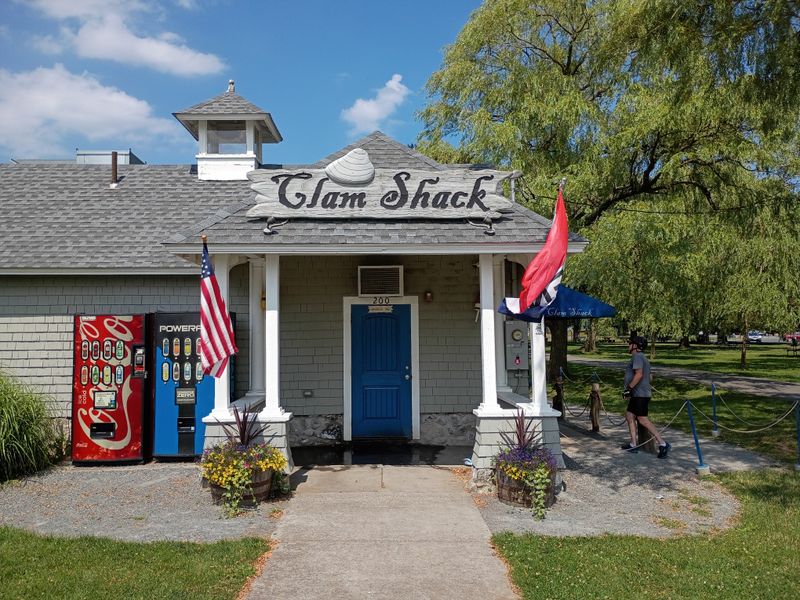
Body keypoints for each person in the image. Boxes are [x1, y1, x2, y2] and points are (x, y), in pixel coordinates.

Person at [620, 335, 671, 458]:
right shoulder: (642, 357)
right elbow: (650, 377)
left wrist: (629, 389)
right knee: (629, 415)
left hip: (640, 395)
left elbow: (639, 374)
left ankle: (663, 444)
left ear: (635, 346)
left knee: (642, 419)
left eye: (630, 343)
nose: (628, 345)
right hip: (639, 394)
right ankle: (633, 444)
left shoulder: (637, 356)